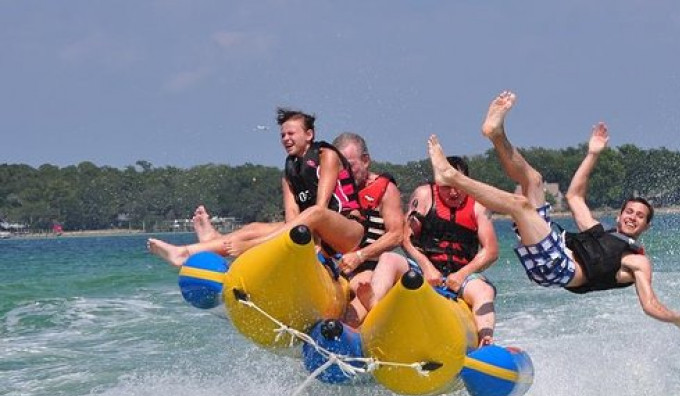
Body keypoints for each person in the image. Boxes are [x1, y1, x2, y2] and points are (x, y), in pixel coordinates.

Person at [430, 98, 680, 338]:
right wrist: (593, 153)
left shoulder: (637, 260)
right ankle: (495, 134)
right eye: (629, 211)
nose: (632, 217)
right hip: (555, 244)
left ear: (646, 226)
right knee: (533, 180)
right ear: (620, 215)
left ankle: (453, 177)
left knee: (520, 204)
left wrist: (676, 319)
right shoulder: (598, 233)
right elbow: (574, 196)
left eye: (639, 216)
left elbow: (649, 304)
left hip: (559, 268)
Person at [147, 107, 364, 266]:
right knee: (253, 227)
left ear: (309, 135)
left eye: (291, 134)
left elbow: (322, 207)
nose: (286, 139)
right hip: (313, 229)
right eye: (282, 135)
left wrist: (312, 245)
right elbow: (291, 217)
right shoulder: (289, 172)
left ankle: (241, 245)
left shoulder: (326, 155)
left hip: (347, 232)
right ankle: (185, 252)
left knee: (314, 211)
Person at [365, 156, 499, 346]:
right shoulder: (424, 196)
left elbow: (491, 251)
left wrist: (461, 274)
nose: (453, 193)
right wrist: (427, 267)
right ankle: (374, 310)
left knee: (484, 290)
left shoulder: (478, 204)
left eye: (458, 185)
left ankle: (484, 341)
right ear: (437, 182)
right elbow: (405, 236)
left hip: (463, 275)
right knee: (388, 258)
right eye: (446, 186)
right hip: (423, 269)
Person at [330, 132, 406, 325]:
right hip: (338, 268)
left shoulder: (386, 190)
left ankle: (347, 329)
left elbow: (396, 234)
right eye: (339, 166)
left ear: (365, 161)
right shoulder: (331, 191)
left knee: (362, 282)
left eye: (349, 165)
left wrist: (360, 256)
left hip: (373, 268)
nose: (344, 172)